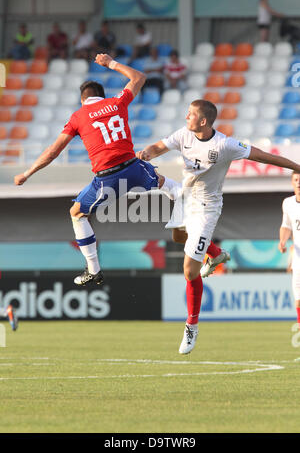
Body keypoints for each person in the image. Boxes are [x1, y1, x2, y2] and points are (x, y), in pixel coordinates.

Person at [136, 99, 300, 355]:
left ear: (203, 121)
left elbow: (264, 156)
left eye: (190, 114)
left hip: (206, 208)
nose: (186, 116)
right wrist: (146, 153)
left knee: (189, 270)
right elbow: (158, 146)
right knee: (179, 236)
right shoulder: (183, 134)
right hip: (185, 196)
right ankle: (216, 254)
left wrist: (296, 167)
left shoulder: (225, 144)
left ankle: (191, 325)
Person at [14, 54, 161, 287]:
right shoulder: (116, 102)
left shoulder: (78, 116)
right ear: (101, 96)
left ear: (83, 100)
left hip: (108, 177)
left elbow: (53, 152)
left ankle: (93, 269)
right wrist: (110, 63)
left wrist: (27, 173)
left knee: (77, 213)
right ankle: (189, 201)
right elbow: (139, 77)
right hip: (133, 167)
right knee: (162, 181)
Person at [278, 171, 300, 330]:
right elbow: (286, 225)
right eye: (296, 180)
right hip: (298, 256)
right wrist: (283, 241)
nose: (299, 183)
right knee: (298, 296)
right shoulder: (288, 203)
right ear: (292, 183)